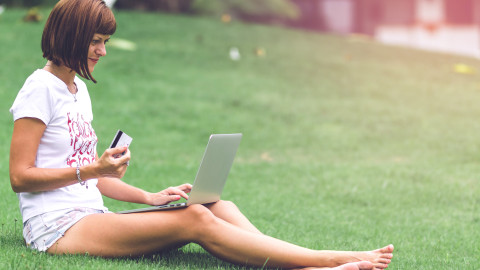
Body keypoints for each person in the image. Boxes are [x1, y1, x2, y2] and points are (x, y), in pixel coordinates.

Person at [8, 0, 394, 269]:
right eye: (96, 41)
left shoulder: (77, 90)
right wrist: (93, 170)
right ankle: (324, 258)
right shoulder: (39, 89)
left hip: (90, 214)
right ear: (72, 36)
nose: (103, 52)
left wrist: (148, 196)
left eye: (105, 42)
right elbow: (19, 178)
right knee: (195, 220)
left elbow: (91, 178)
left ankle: (299, 263)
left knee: (217, 207)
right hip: (56, 229)